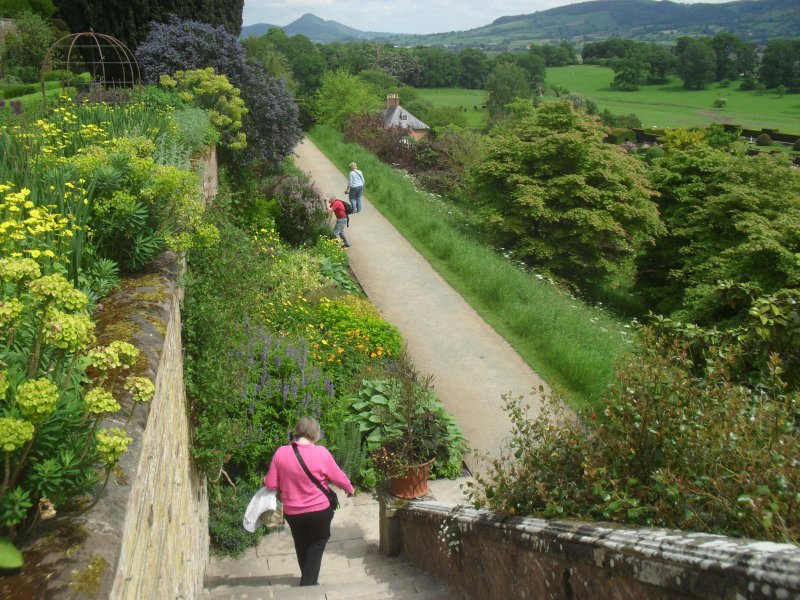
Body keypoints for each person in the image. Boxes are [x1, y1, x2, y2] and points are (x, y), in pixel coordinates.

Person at [263, 416, 355, 586]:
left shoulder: (281, 453)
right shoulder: (322, 453)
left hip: (293, 512)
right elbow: (338, 477)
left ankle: (307, 578)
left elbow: (270, 484)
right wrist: (350, 488)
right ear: (315, 434)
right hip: (320, 510)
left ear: (297, 431)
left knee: (301, 542)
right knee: (318, 541)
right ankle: (309, 583)